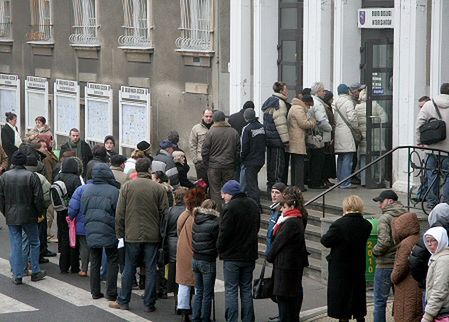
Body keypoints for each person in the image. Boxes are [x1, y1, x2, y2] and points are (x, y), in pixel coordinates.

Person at [110, 158, 168, 312]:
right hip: (152, 235)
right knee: (150, 268)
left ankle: (123, 300)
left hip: (131, 233)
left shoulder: (127, 187)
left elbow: (119, 213)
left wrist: (120, 233)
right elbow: (164, 213)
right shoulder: (158, 188)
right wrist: (162, 235)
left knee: (129, 267)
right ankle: (149, 303)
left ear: (136, 170)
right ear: (149, 170)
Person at [320, 195, 371, 322]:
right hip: (357, 265)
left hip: (340, 268)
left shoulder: (339, 225)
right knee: (358, 296)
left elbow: (325, 241)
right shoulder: (366, 225)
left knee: (342, 300)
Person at [0, 150, 46, 284]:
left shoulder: (4, 177)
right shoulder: (31, 176)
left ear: (13, 162)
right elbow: (38, 198)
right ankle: (35, 271)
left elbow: (1, 199)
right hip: (29, 214)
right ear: (24, 162)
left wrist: (6, 212)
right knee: (34, 242)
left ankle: (17, 274)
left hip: (11, 215)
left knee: (16, 244)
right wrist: (39, 213)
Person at [217, 180, 260, 322]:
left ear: (230, 194)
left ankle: (232, 319)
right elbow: (257, 228)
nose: (223, 197)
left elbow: (224, 233)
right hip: (249, 255)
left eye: (224, 194)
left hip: (232, 256)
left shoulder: (230, 208)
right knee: (246, 289)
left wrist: (220, 248)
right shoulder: (253, 205)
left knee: (231, 290)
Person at [266, 186, 309, 322]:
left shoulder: (291, 222)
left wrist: (270, 255)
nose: (281, 210)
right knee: (289, 296)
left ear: (291, 205)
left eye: (283, 207)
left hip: (287, 264)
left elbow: (279, 241)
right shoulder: (294, 218)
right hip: (290, 263)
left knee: (285, 297)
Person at [82, 164, 120, 300]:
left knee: (95, 260)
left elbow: (83, 210)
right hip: (109, 229)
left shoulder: (87, 190)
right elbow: (118, 212)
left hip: (91, 228)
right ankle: (111, 292)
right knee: (112, 260)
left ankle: (95, 291)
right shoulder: (114, 191)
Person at [372, 189, 409, 322]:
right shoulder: (406, 215)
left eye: (381, 202)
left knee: (380, 301)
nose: (379, 205)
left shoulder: (385, 218)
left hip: (385, 264)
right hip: (402, 263)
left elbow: (384, 242)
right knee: (400, 300)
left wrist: (374, 251)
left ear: (390, 201)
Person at [415, 83, 449, 210]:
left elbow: (419, 123)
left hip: (431, 148)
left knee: (432, 174)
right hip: (447, 150)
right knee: (447, 176)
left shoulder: (429, 104)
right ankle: (445, 205)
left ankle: (432, 202)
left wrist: (419, 141)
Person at [409, 203, 449, 309]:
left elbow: (415, 262)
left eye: (432, 241)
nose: (430, 243)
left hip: (432, 287)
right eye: (429, 242)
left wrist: (425, 280)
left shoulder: (430, 235)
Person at [176, 187, 207, 322]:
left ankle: (184, 310)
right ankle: (199, 309)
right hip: (199, 252)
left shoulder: (184, 215)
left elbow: (178, 229)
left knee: (184, 282)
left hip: (183, 250)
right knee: (200, 284)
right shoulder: (204, 217)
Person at [201, 111, 240, 208]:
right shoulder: (233, 132)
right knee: (229, 191)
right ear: (224, 119)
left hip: (214, 167)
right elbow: (238, 151)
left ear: (214, 119)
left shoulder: (210, 132)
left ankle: (218, 215)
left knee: (215, 192)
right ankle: (229, 211)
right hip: (229, 166)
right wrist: (235, 163)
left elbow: (204, 151)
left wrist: (207, 164)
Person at [390, 212, 422, 322]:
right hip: (417, 286)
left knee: (405, 316)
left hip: (406, 289)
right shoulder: (419, 238)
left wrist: (393, 277)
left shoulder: (405, 244)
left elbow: (400, 269)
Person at [191, 199, 220, 322]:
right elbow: (217, 242)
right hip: (208, 260)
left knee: (199, 291)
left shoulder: (196, 221)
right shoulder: (214, 224)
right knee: (207, 293)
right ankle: (205, 318)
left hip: (196, 258)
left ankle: (195, 316)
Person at [54, 157, 83, 274]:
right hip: (72, 212)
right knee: (74, 239)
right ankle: (74, 266)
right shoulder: (76, 179)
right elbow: (79, 195)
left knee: (64, 237)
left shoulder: (58, 177)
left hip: (60, 211)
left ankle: (63, 266)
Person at [355, 88, 388, 186]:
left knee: (364, 158)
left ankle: (364, 181)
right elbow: (384, 118)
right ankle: (377, 178)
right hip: (375, 136)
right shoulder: (375, 105)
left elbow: (354, 121)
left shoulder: (357, 107)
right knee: (376, 158)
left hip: (362, 136)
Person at [262, 81, 290, 191]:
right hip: (277, 139)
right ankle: (277, 188)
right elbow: (281, 124)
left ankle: (271, 185)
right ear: (281, 90)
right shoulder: (280, 103)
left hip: (269, 138)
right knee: (278, 165)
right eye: (286, 89)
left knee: (271, 164)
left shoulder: (270, 101)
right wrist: (286, 140)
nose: (287, 91)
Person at [287, 94, 316, 191]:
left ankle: (294, 184)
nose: (309, 107)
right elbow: (304, 124)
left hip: (293, 139)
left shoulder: (294, 107)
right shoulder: (299, 109)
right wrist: (313, 121)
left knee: (295, 163)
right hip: (297, 139)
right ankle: (299, 186)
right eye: (310, 105)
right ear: (306, 103)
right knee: (299, 164)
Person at [308, 82, 332, 189]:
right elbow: (322, 121)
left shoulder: (312, 102)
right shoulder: (318, 104)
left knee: (314, 160)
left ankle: (314, 181)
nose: (324, 92)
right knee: (318, 161)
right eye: (322, 90)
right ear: (317, 92)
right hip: (320, 136)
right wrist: (330, 129)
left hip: (314, 135)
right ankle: (316, 182)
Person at [421, 227, 449, 322]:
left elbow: (439, 290)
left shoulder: (443, 260)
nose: (429, 244)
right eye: (427, 241)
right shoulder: (436, 257)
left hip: (443, 312)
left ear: (441, 240)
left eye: (433, 240)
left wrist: (428, 315)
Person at [334, 84, 359, 189]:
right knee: (348, 157)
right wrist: (356, 127)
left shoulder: (335, 102)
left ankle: (340, 180)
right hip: (347, 132)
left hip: (338, 131)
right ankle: (345, 182)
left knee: (341, 157)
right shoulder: (348, 102)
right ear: (347, 91)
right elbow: (352, 118)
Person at [240, 108, 266, 205]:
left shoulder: (246, 129)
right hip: (260, 159)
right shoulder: (261, 127)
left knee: (252, 185)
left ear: (245, 117)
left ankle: (256, 205)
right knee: (253, 182)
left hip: (250, 161)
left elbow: (244, 146)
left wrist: (242, 159)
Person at [68, 177, 93, 277]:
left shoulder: (81, 189)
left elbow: (73, 207)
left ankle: (84, 269)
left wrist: (71, 216)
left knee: (84, 246)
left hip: (83, 223)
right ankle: (98, 270)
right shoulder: (107, 188)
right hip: (100, 225)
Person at [189, 108, 214, 182]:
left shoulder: (216, 128)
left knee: (213, 185)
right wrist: (195, 161)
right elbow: (192, 145)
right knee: (202, 186)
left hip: (213, 161)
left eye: (210, 116)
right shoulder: (196, 128)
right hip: (201, 162)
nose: (208, 118)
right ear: (202, 117)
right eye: (206, 116)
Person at [321, 90, 337, 188]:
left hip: (329, 135)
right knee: (326, 159)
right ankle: (325, 178)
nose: (333, 99)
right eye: (332, 98)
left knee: (328, 158)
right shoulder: (326, 108)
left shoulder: (328, 107)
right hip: (327, 135)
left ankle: (326, 178)